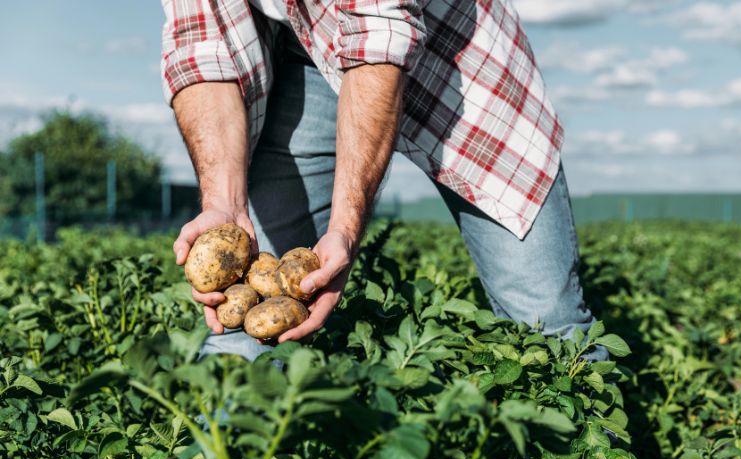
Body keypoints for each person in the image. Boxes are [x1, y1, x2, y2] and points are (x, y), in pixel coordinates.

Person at [161, 0, 607, 362]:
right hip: (304, 50)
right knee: (242, 331)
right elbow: (201, 46)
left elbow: (378, 33)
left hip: (455, 52)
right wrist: (224, 203)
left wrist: (344, 230)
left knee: (547, 324)